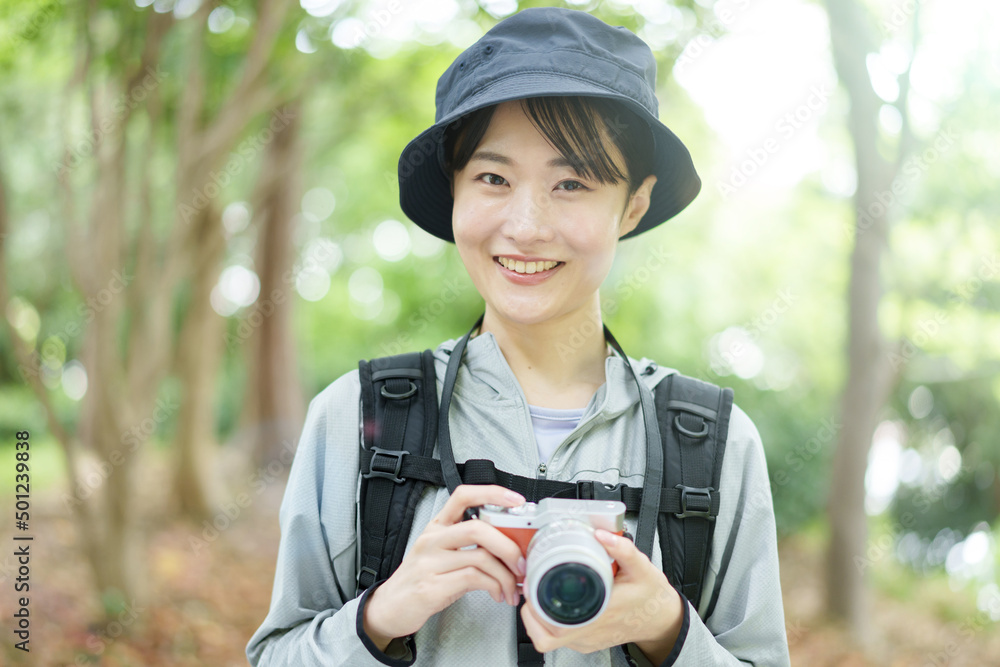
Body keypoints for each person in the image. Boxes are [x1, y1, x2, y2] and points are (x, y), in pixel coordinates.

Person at [246, 7, 790, 666]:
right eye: (493, 178)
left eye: (571, 183)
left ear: (635, 205)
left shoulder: (714, 445)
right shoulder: (358, 418)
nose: (526, 225)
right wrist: (383, 613)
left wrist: (668, 628)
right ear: (454, 190)